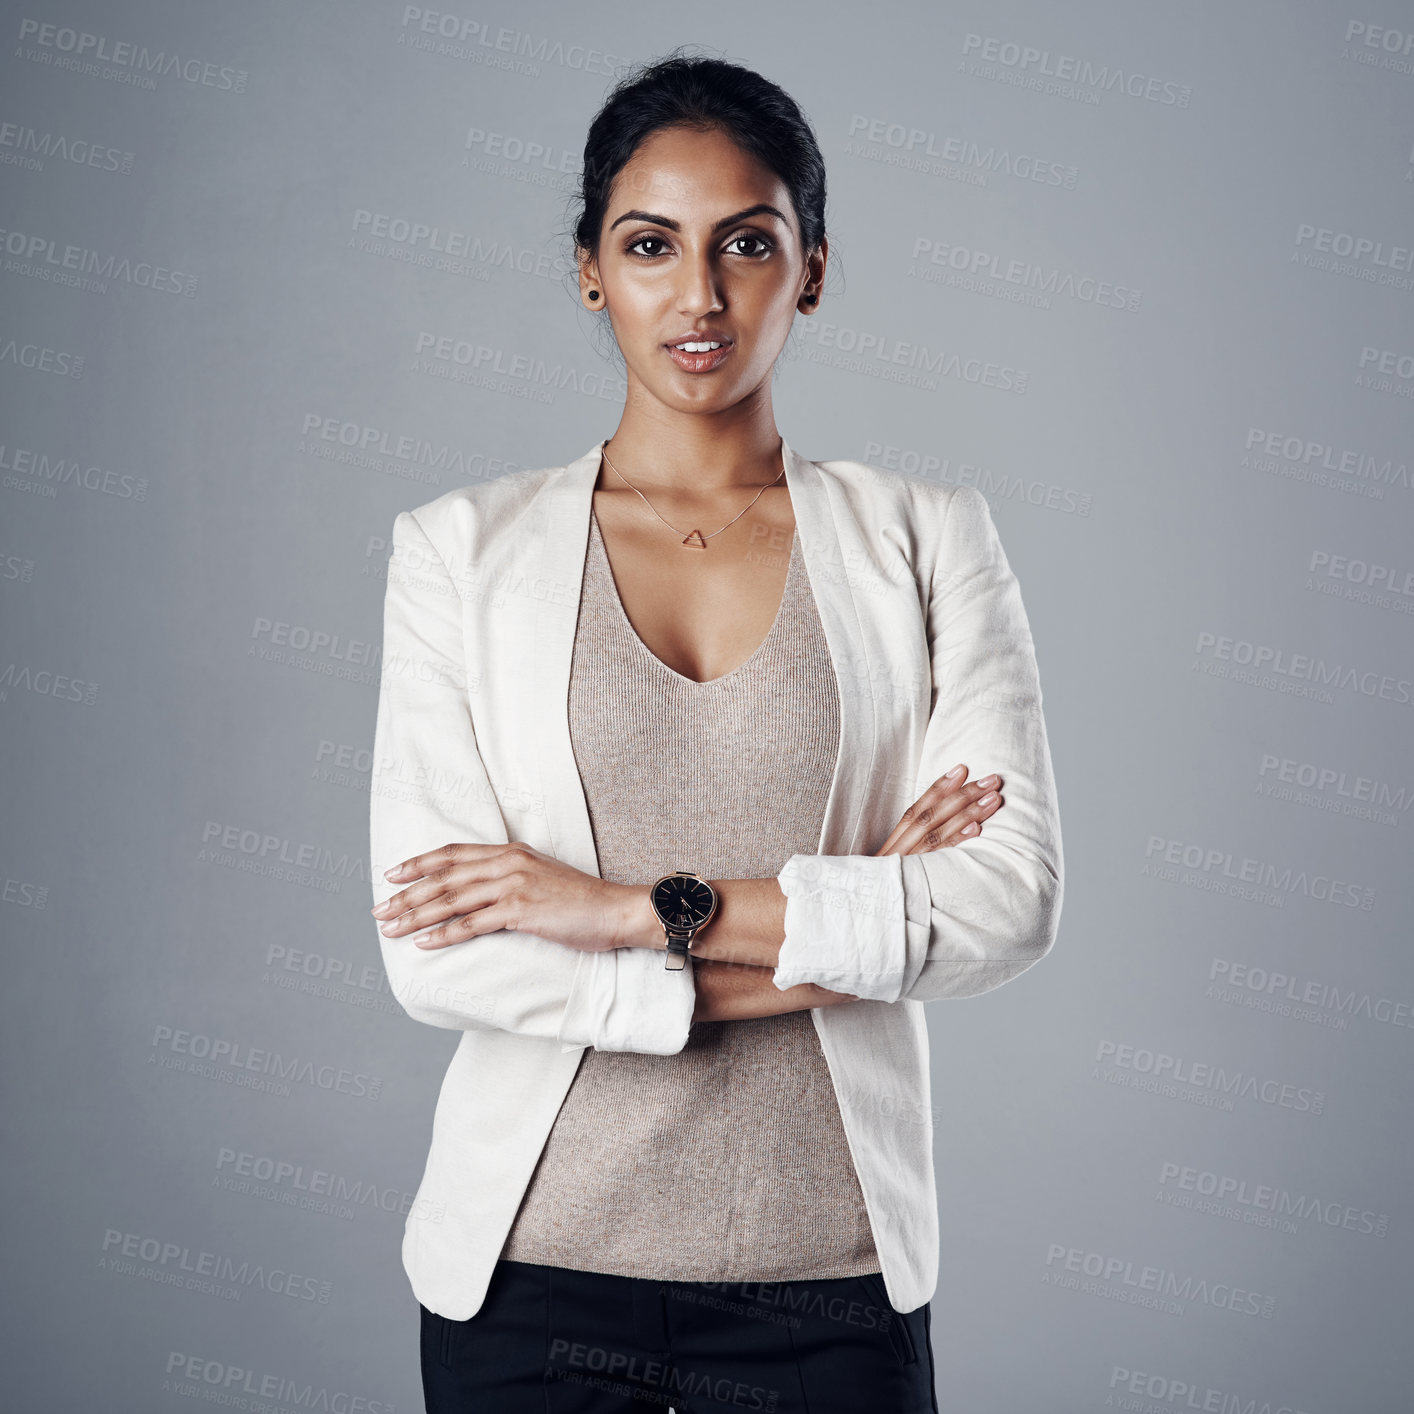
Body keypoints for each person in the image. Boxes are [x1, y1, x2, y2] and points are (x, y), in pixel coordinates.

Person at [368, 49, 1063, 1414]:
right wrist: (845, 940)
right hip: (532, 1278)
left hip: (829, 1279)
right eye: (648, 246)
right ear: (588, 271)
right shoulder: (458, 552)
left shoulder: (925, 540)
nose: (697, 296)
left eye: (746, 243)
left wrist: (625, 912)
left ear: (808, 267)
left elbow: (1004, 903)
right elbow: (436, 957)